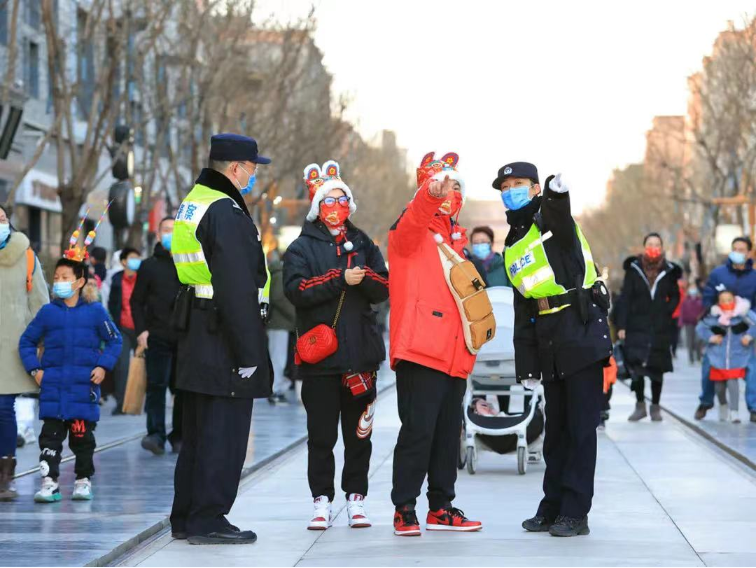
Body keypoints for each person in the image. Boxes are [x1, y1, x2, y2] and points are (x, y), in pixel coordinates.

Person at [495, 161, 612, 538]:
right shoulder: (512, 241)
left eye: (518, 184)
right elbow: (522, 306)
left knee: (580, 429)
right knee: (556, 431)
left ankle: (576, 512)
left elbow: (559, 211)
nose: (510, 191)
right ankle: (552, 507)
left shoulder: (549, 219)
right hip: (548, 337)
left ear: (534, 189)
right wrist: (527, 365)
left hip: (580, 330)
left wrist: (556, 191)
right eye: (505, 187)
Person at [169, 133, 271, 545]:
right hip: (223, 334)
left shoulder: (194, 201)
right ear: (234, 168)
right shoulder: (225, 210)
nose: (253, 175)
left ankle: (186, 516)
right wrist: (249, 352)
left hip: (198, 328)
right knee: (222, 433)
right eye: (252, 168)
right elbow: (236, 285)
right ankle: (208, 518)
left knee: (197, 432)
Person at [284, 160, 389, 531]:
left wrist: (363, 278)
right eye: (329, 200)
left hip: (361, 357)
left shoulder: (363, 243)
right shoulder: (300, 247)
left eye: (342, 199)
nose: (336, 206)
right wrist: (339, 278)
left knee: (359, 435)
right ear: (317, 206)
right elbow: (296, 290)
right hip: (320, 359)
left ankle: (356, 499)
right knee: (321, 437)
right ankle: (321, 501)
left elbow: (384, 286)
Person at [388, 152, 482, 537]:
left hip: (455, 353)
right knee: (418, 431)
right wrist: (429, 195)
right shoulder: (410, 232)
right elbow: (415, 219)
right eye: (444, 185)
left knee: (447, 435)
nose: (450, 192)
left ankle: (441, 507)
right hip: (421, 350)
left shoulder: (459, 241)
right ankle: (404, 507)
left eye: (456, 186)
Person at [19, 257, 122, 502]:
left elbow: (114, 340)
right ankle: (49, 483)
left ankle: (83, 480)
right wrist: (35, 370)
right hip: (53, 389)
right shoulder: (48, 312)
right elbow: (27, 341)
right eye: (56, 278)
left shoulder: (95, 311)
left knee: (83, 439)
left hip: (83, 390)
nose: (59, 282)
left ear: (79, 282)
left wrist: (103, 366)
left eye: (65, 278)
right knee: (49, 440)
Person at [0, 205, 49, 501]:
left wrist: (41, 342)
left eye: (2, 218)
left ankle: (5, 475)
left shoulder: (27, 256)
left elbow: (40, 302)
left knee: (4, 408)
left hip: (12, 347)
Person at [615, 233, 681, 422]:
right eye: (650, 244)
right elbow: (625, 298)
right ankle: (640, 405)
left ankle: (655, 407)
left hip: (660, 327)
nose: (653, 247)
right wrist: (621, 325)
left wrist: (666, 311)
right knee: (637, 368)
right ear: (644, 247)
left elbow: (675, 295)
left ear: (662, 247)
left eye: (657, 244)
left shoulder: (669, 271)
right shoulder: (634, 269)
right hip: (637, 325)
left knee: (657, 368)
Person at [131, 217, 183, 455]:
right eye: (166, 230)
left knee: (182, 389)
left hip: (184, 337)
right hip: (157, 336)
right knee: (156, 386)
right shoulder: (148, 266)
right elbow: (136, 301)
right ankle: (156, 435)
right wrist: (141, 330)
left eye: (175, 230)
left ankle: (180, 435)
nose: (170, 234)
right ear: (158, 234)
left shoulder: (189, 264)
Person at [695, 237, 756, 423]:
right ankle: (706, 401)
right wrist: (714, 324)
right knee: (709, 367)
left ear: (749, 253)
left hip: (742, 333)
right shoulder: (718, 274)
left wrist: (748, 329)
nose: (738, 252)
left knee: (752, 369)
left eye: (742, 249)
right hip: (720, 330)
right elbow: (708, 298)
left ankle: (753, 407)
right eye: (734, 248)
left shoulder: (754, 277)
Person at [696, 290, 756, 423]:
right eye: (723, 301)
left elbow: (755, 324)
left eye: (729, 300)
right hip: (718, 357)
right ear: (718, 302)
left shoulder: (743, 314)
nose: (726, 303)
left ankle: (734, 412)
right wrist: (711, 337)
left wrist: (749, 336)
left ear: (734, 300)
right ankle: (723, 404)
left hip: (737, 357)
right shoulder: (714, 316)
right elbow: (701, 328)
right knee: (719, 387)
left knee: (733, 383)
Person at [107, 247, 142, 415]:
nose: (136, 261)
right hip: (123, 328)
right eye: (132, 258)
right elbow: (112, 304)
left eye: (138, 258)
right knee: (122, 366)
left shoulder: (144, 278)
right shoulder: (116, 280)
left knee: (146, 365)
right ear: (123, 262)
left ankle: (142, 402)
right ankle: (121, 403)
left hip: (142, 328)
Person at [267, 250, 296, 404]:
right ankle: (275, 389)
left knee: (279, 358)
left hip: (281, 323)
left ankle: (277, 388)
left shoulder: (279, 273)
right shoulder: (280, 274)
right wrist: (294, 315)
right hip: (280, 323)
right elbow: (278, 298)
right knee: (278, 359)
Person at [680, 284, 704, 365]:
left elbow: (703, 311)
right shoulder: (685, 301)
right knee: (690, 341)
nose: (693, 290)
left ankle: (698, 357)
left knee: (698, 341)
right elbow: (682, 312)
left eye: (694, 288)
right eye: (691, 288)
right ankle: (691, 359)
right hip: (688, 323)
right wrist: (681, 322)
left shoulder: (700, 300)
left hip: (698, 323)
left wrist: (701, 318)